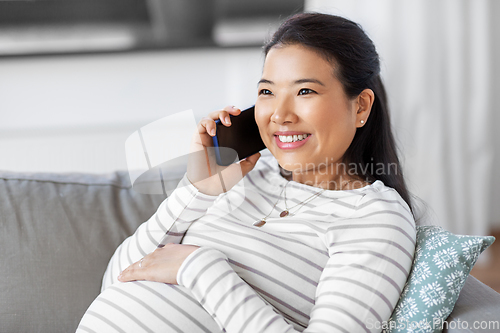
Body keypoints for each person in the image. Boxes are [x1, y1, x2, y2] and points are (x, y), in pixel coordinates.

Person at [77, 12, 417, 333]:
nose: (280, 115)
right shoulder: (242, 175)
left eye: (305, 91)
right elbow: (120, 277)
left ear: (361, 106)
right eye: (267, 92)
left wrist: (198, 268)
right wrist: (198, 189)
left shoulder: (376, 217)